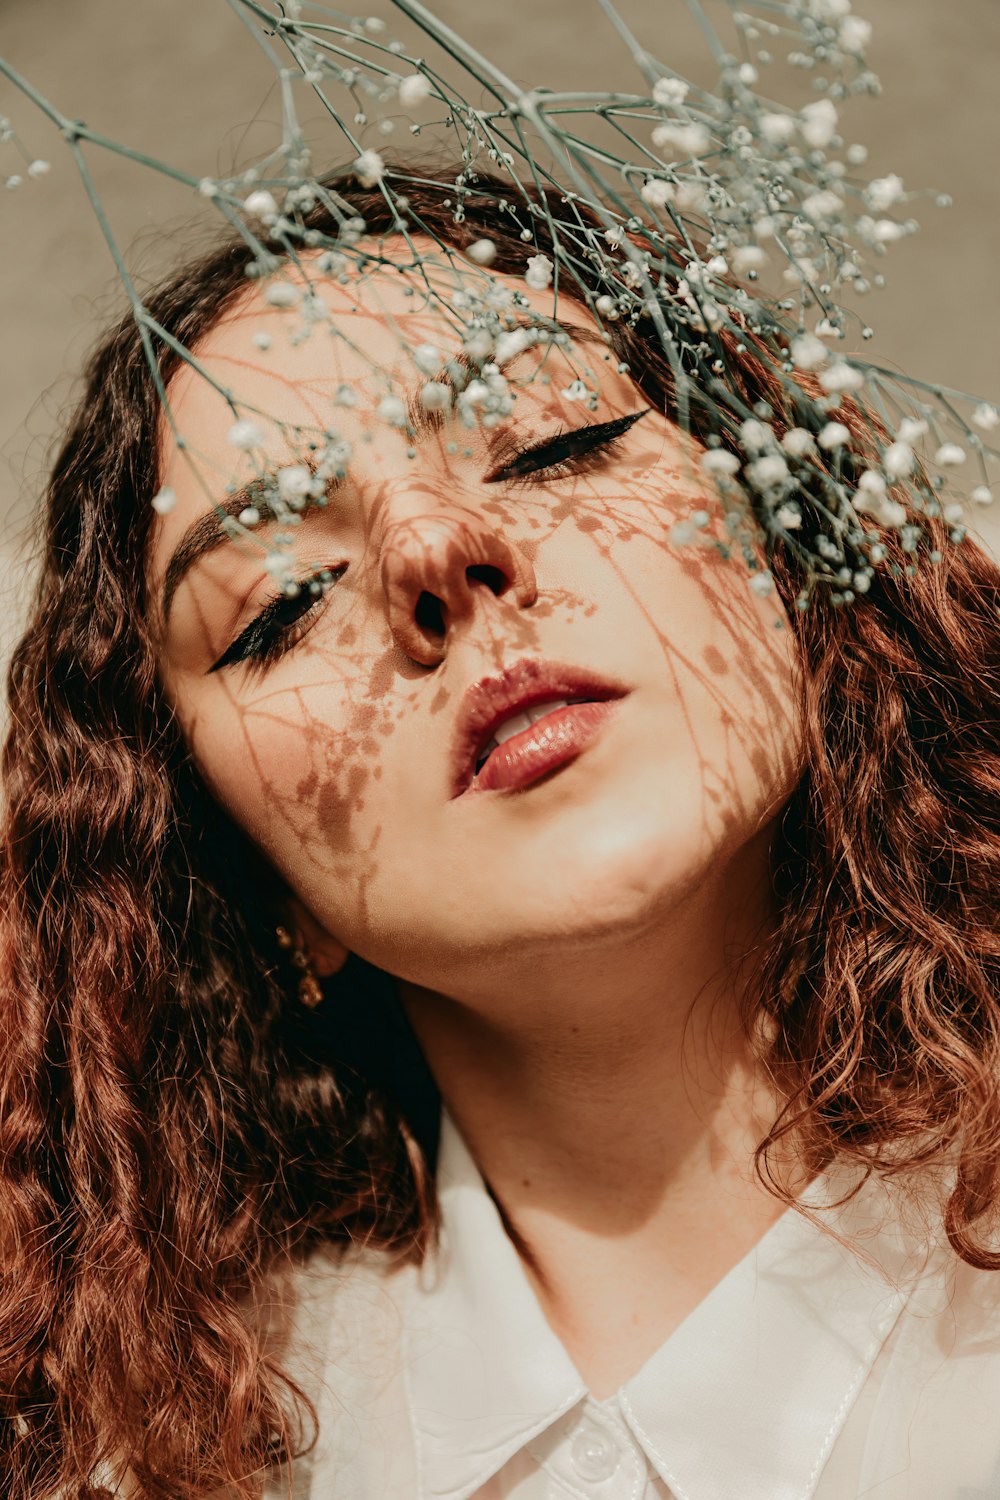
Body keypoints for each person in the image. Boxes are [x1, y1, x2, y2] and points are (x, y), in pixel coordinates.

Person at [1, 165, 998, 1500]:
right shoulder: (183, 1461)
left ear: (793, 547)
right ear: (227, 867)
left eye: (550, 446)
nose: (433, 546)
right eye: (283, 598)